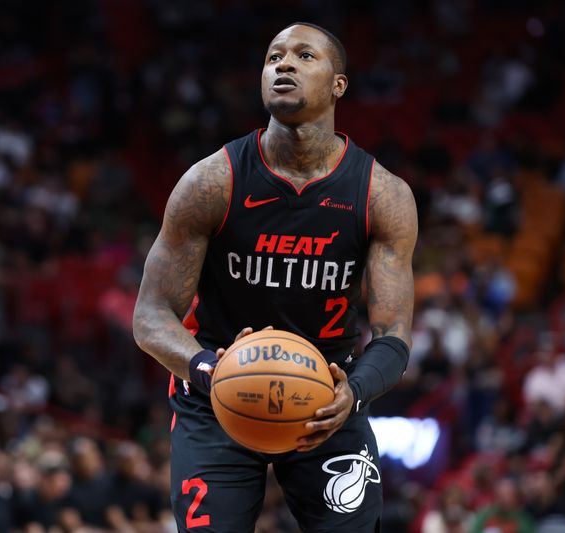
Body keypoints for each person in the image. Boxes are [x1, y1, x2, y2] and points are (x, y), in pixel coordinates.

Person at [133, 22, 417, 532]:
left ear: (338, 84)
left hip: (328, 393)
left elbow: (394, 336)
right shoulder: (212, 182)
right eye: (273, 57)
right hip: (216, 389)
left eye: (304, 56)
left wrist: (353, 391)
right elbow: (150, 316)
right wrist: (206, 369)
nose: (283, 65)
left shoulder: (381, 195)